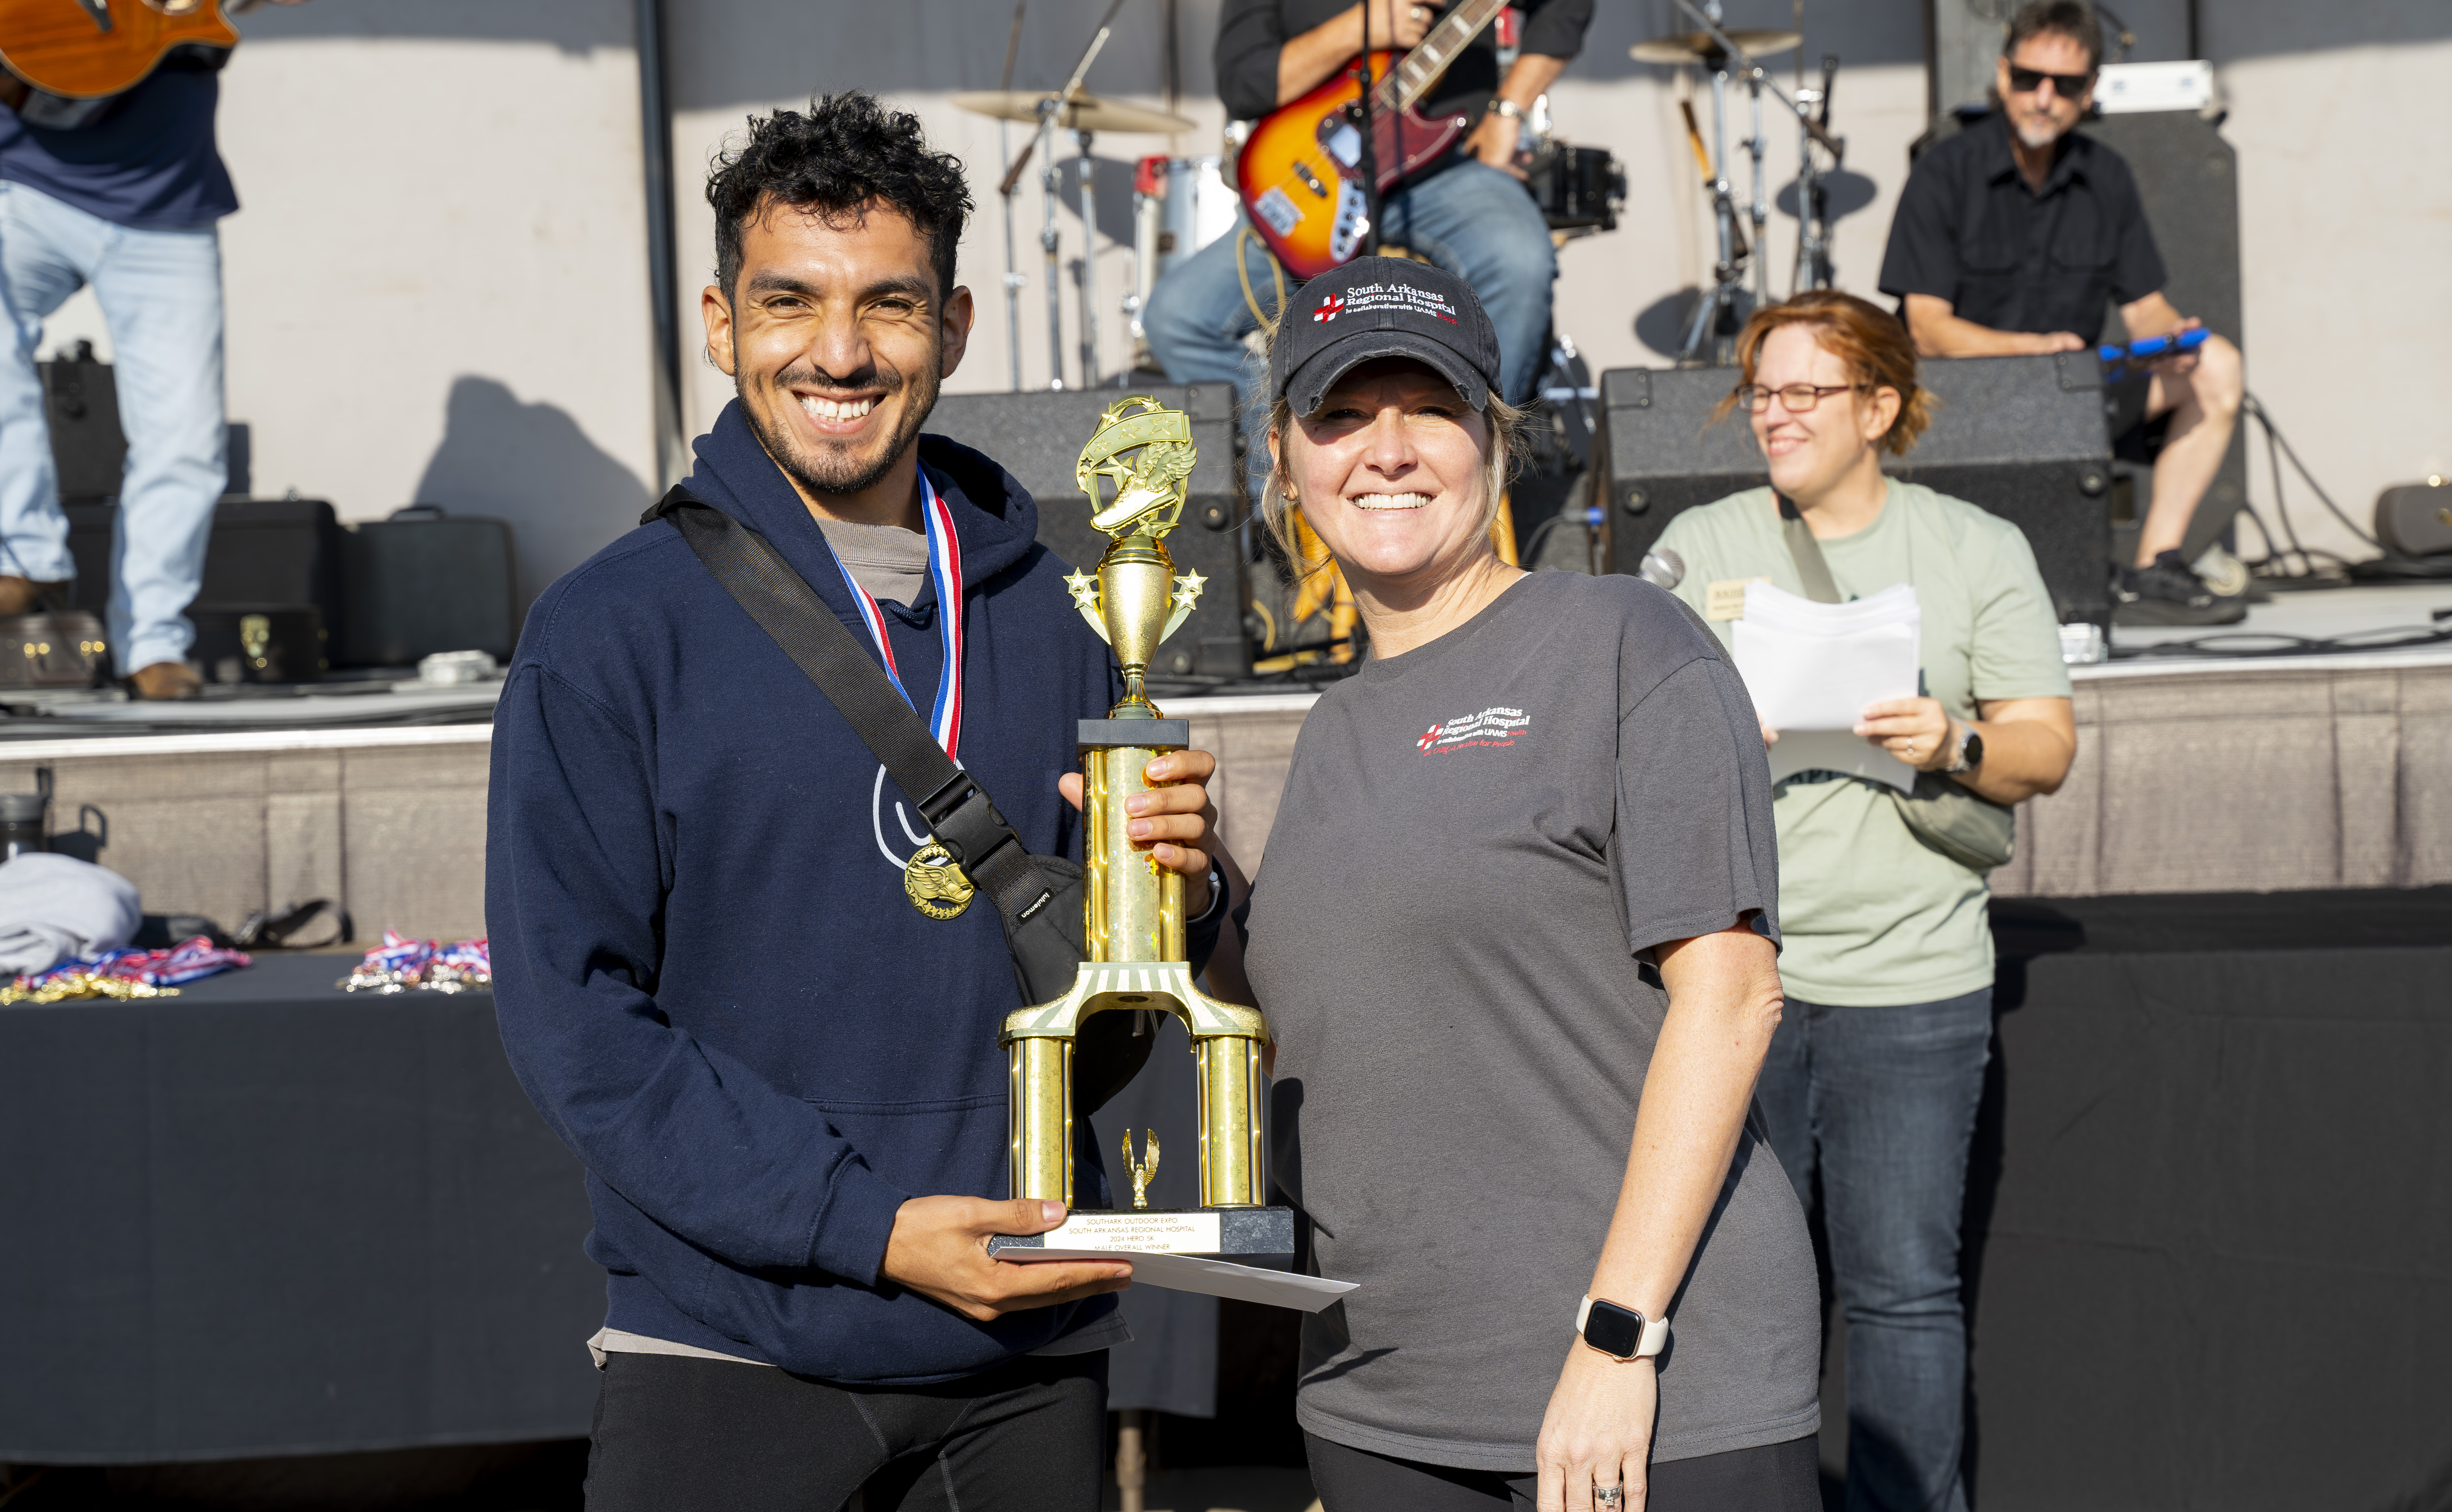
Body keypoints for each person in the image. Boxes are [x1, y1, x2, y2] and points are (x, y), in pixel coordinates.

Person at [487, 94, 1239, 1511]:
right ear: (721, 322)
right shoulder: (606, 631)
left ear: (952, 328)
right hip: (727, 1343)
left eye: (888, 304)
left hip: (1021, 1348)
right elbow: (574, 1021)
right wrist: (869, 1226)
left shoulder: (1057, 615)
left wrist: (1179, 903)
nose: (839, 352)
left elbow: (1105, 1019)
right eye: (790, 302)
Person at [1227, 256, 1822, 1512]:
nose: (1383, 451)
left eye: (1426, 408)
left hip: (1648, 1388)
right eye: (1338, 414)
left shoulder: (1621, 641)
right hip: (1381, 1399)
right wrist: (1178, 903)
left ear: (1492, 440)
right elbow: (1326, 1030)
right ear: (1283, 459)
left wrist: (1617, 1337)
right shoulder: (1330, 724)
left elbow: (1731, 1001)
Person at [1650, 290, 2079, 1512]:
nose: (1770, 417)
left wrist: (1948, 737)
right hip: (1736, 985)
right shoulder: (1699, 543)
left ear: (1879, 406)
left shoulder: (1970, 546)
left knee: (1899, 1290)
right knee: (1726, 1286)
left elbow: (2042, 748)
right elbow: (1613, 741)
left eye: (1801, 393)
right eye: (1759, 393)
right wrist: (1711, 729)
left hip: (1910, 981)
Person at [1877, 0, 2247, 627]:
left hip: (2074, 398)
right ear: (2002, 77)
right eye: (2028, 79)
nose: (2042, 98)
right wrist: (2026, 351)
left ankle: (2155, 564)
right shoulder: (1943, 172)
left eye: (2064, 85)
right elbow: (1926, 329)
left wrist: (2171, 336)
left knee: (2216, 365)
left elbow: (2144, 310)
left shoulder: (2107, 177)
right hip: (1963, 403)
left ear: (2089, 91)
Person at [0, 5, 310, 700]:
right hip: (22, 183)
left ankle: (154, 642)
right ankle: (25, 561)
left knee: (187, 437)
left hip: (169, 200)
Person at [1142, 0, 1588, 427]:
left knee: (1518, 261)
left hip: (1442, 167)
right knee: (1177, 319)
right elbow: (1244, 84)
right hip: (1313, 182)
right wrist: (1358, 28)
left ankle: (1473, 462)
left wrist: (1507, 111)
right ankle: (1287, 484)